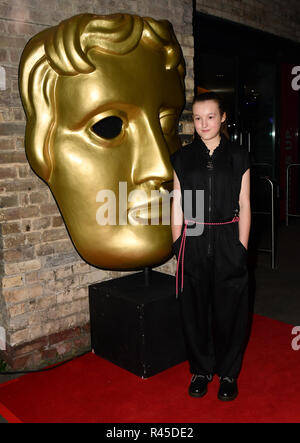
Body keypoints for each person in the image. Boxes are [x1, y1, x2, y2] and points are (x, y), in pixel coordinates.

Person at [170, 91, 251, 401]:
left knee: (231, 310)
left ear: (223, 117)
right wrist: (178, 244)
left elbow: (244, 203)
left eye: (211, 117)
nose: (203, 124)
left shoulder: (238, 155)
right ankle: (201, 370)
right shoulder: (182, 158)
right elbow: (177, 203)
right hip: (193, 238)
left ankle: (229, 373)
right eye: (198, 118)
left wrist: (242, 247)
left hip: (229, 239)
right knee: (195, 309)